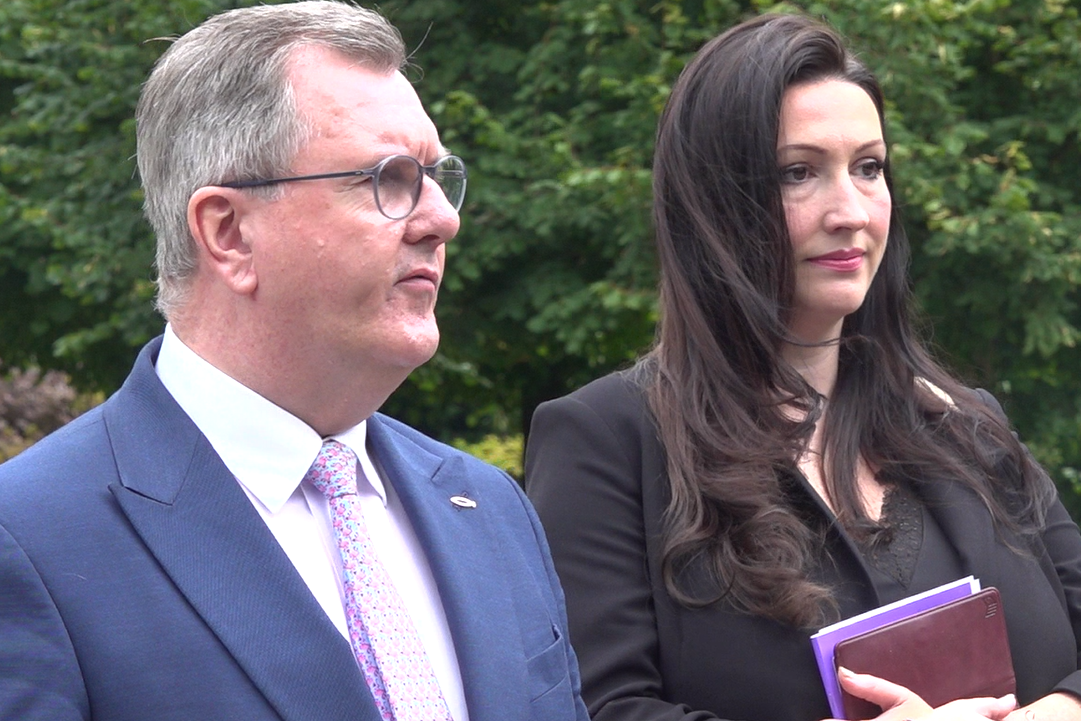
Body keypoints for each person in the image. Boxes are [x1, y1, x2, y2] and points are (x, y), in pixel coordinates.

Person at [0, 3, 588, 720]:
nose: (442, 218)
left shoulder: (489, 507)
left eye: (436, 176)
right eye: (389, 179)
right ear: (229, 233)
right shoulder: (31, 538)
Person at [525, 12, 1081, 721]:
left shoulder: (965, 424)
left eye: (868, 168)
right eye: (798, 172)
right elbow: (595, 708)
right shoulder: (607, 440)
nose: (848, 210)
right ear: (713, 202)